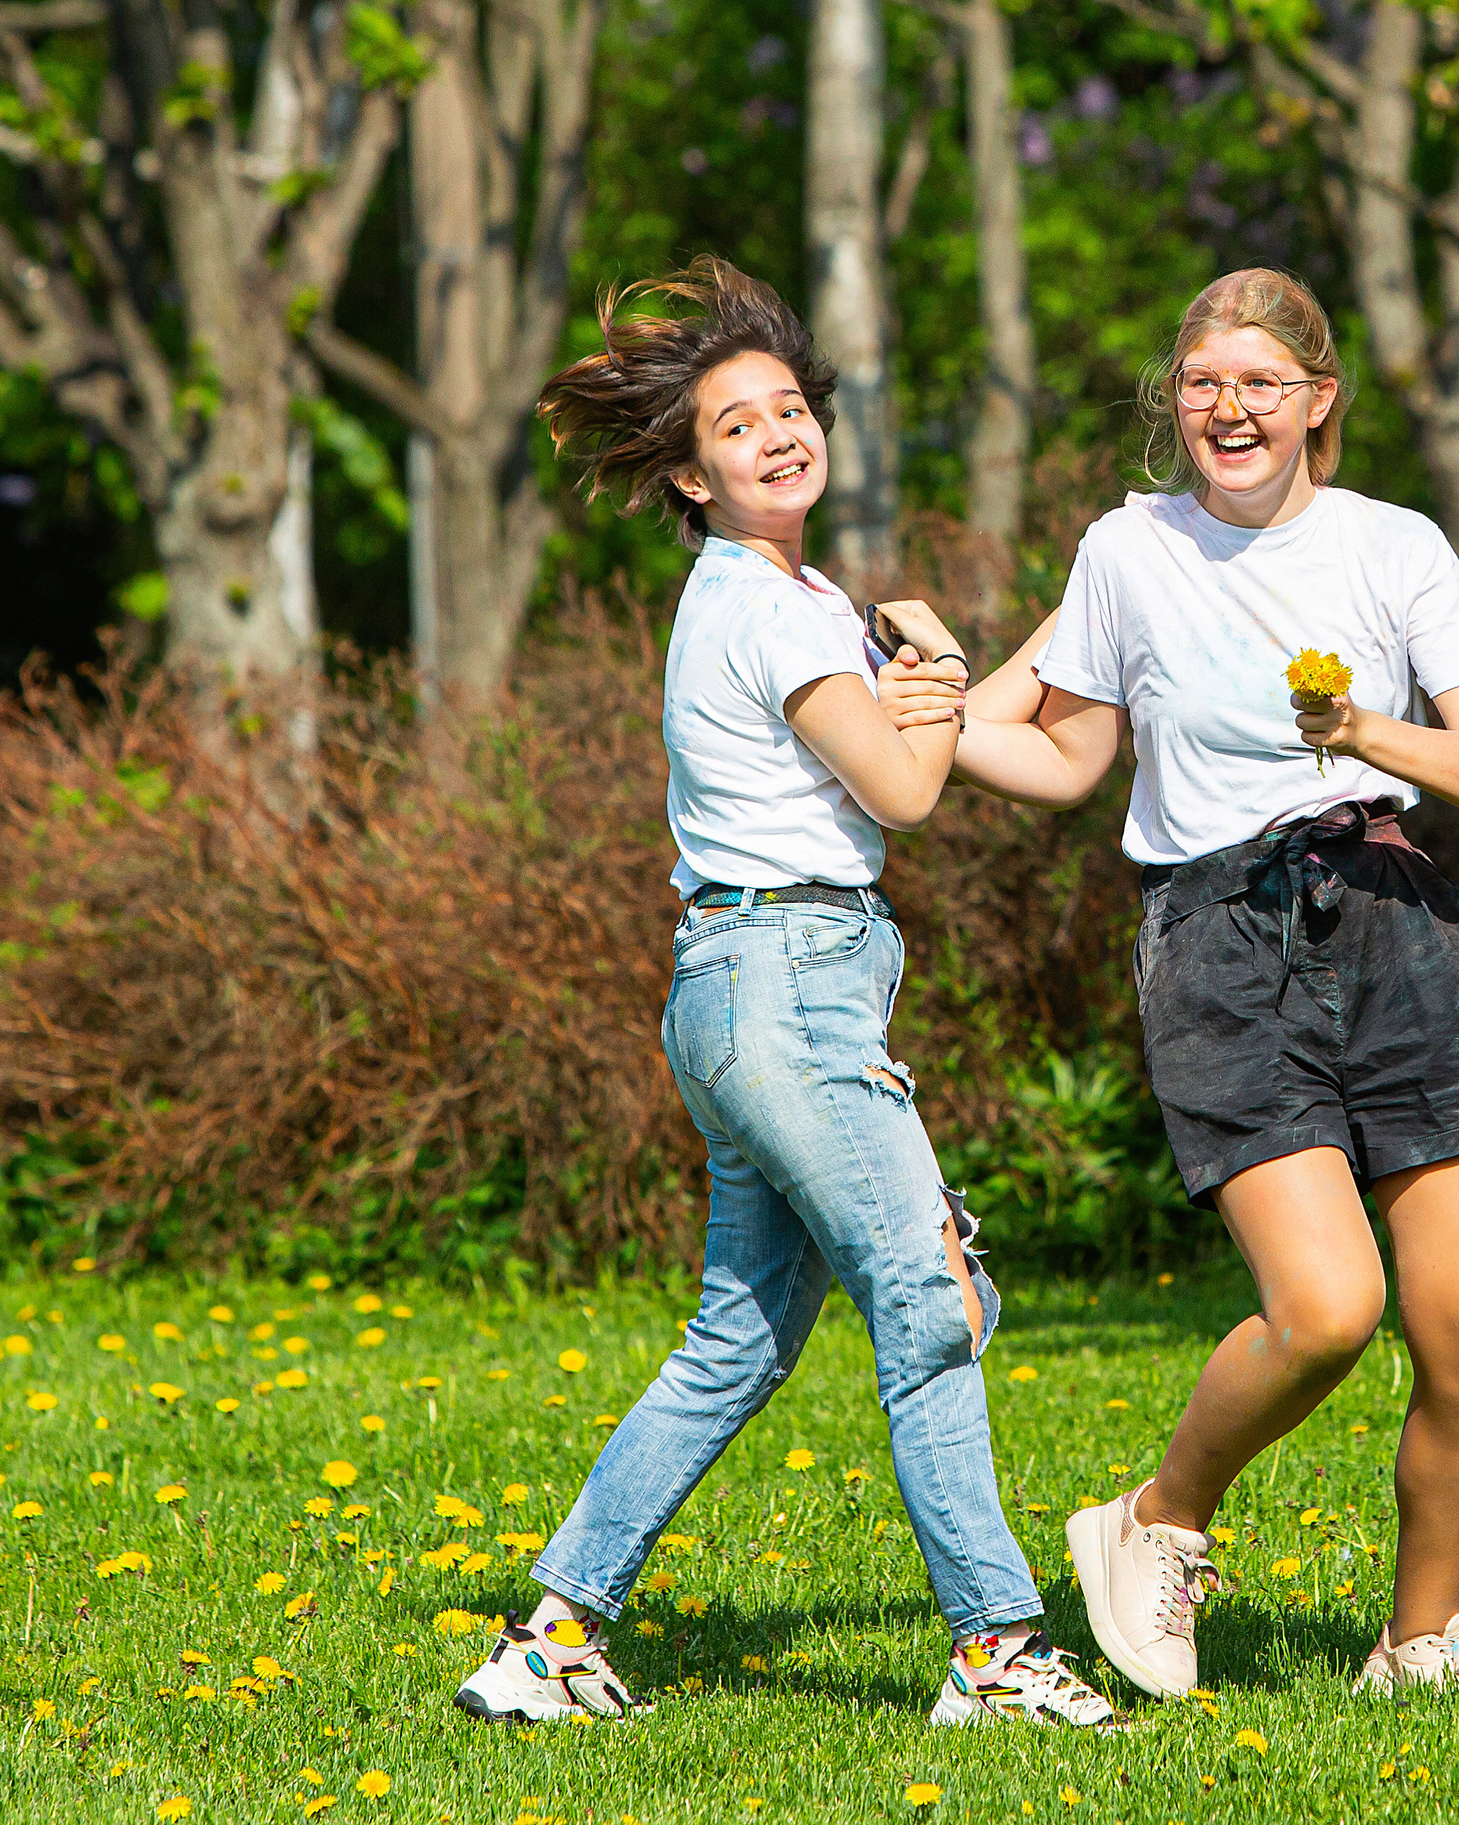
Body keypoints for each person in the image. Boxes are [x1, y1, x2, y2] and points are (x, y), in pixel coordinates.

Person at [452, 255, 1114, 1730]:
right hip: (788, 985)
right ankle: (998, 1649)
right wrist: (938, 666)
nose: (776, 433)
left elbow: (936, 740)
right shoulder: (768, 607)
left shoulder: (799, 598)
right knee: (928, 1293)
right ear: (691, 474)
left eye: (791, 406)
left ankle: (549, 1637)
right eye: (737, 424)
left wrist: (983, 655)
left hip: (755, 984)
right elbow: (905, 783)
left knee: (739, 1339)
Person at [889, 268, 1459, 1699]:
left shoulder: (1396, 546)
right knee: (1325, 1308)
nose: (1229, 406)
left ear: (1319, 402)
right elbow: (1066, 756)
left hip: (1395, 916)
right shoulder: (1130, 552)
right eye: (1203, 382)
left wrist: (1362, 725)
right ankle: (1154, 1520)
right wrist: (918, 735)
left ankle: (1420, 1638)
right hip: (1218, 935)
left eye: (1260, 382)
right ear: (1175, 403)